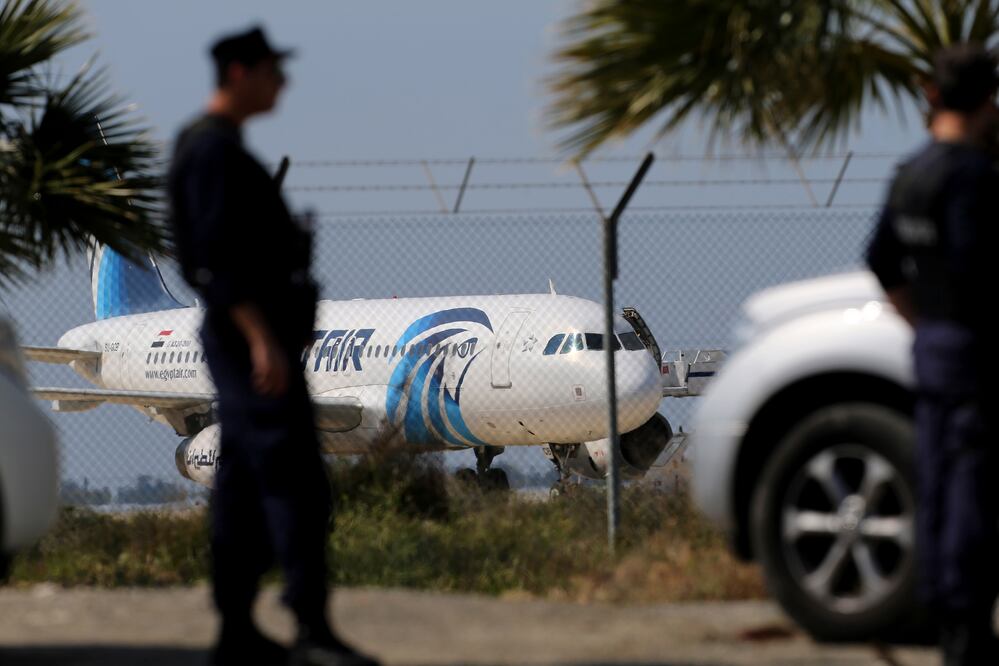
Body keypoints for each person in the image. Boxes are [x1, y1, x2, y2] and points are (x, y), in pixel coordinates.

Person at [167, 26, 379, 666]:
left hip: (259, 338)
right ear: (238, 73)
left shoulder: (222, 149)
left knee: (239, 486)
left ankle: (236, 630)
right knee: (296, 484)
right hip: (250, 344)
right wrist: (263, 339)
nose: (283, 85)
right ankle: (310, 627)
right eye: (271, 72)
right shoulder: (211, 153)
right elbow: (211, 263)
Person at [866, 43, 999, 665]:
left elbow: (882, 261)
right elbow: (979, 269)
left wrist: (921, 322)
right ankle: (967, 625)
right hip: (973, 348)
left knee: (939, 483)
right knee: (973, 490)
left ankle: (939, 609)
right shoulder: (973, 177)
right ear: (986, 101)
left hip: (933, 346)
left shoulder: (911, 172)